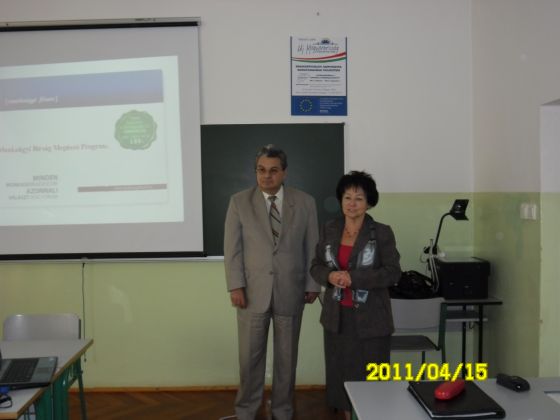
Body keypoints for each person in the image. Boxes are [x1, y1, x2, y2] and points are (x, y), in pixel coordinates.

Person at [224, 144, 320, 420]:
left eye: (273, 170)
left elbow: (312, 246)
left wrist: (313, 284)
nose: (266, 176)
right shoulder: (239, 202)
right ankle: (246, 411)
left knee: (286, 359)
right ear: (256, 172)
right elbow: (233, 249)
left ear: (284, 173)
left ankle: (282, 410)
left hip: (291, 290)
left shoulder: (305, 202)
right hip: (252, 293)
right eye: (261, 170)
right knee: (249, 359)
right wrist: (235, 285)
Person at [310, 170, 401, 419]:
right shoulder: (329, 229)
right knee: (341, 373)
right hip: (337, 317)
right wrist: (329, 276)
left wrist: (355, 278)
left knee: (371, 376)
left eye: (359, 198)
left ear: (369, 202)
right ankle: (348, 415)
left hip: (372, 319)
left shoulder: (381, 232)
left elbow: (393, 273)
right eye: (347, 197)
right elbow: (316, 266)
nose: (352, 204)